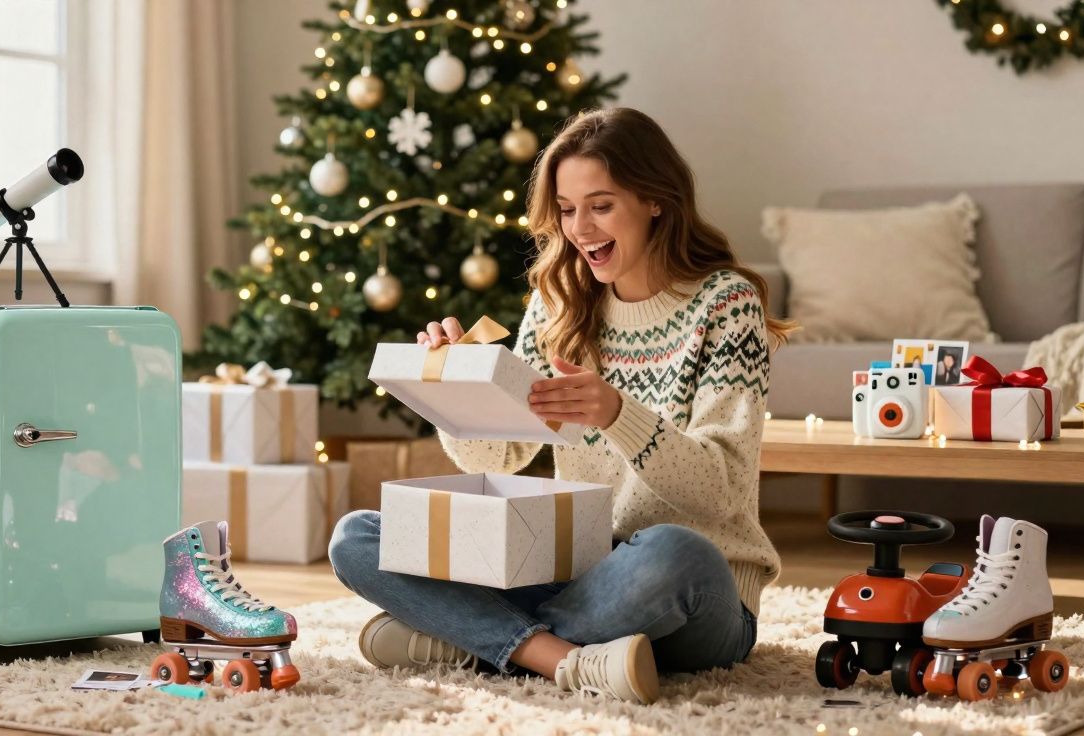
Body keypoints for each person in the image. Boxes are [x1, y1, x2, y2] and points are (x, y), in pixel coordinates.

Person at [328, 107, 793, 704]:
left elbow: (720, 491)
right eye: (568, 210)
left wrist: (617, 415)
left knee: (676, 549)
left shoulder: (725, 305)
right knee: (359, 536)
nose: (581, 228)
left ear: (655, 200)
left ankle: (474, 639)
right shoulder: (559, 302)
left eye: (601, 206)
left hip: (690, 598)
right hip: (576, 578)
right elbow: (500, 453)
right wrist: (456, 385)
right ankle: (558, 658)